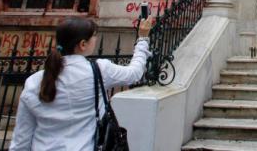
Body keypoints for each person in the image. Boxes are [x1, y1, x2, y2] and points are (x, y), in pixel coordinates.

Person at [9, 17, 152, 151]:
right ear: (83, 44)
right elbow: (134, 73)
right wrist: (143, 38)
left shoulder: (34, 82)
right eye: (94, 36)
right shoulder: (99, 71)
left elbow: (21, 140)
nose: (96, 40)